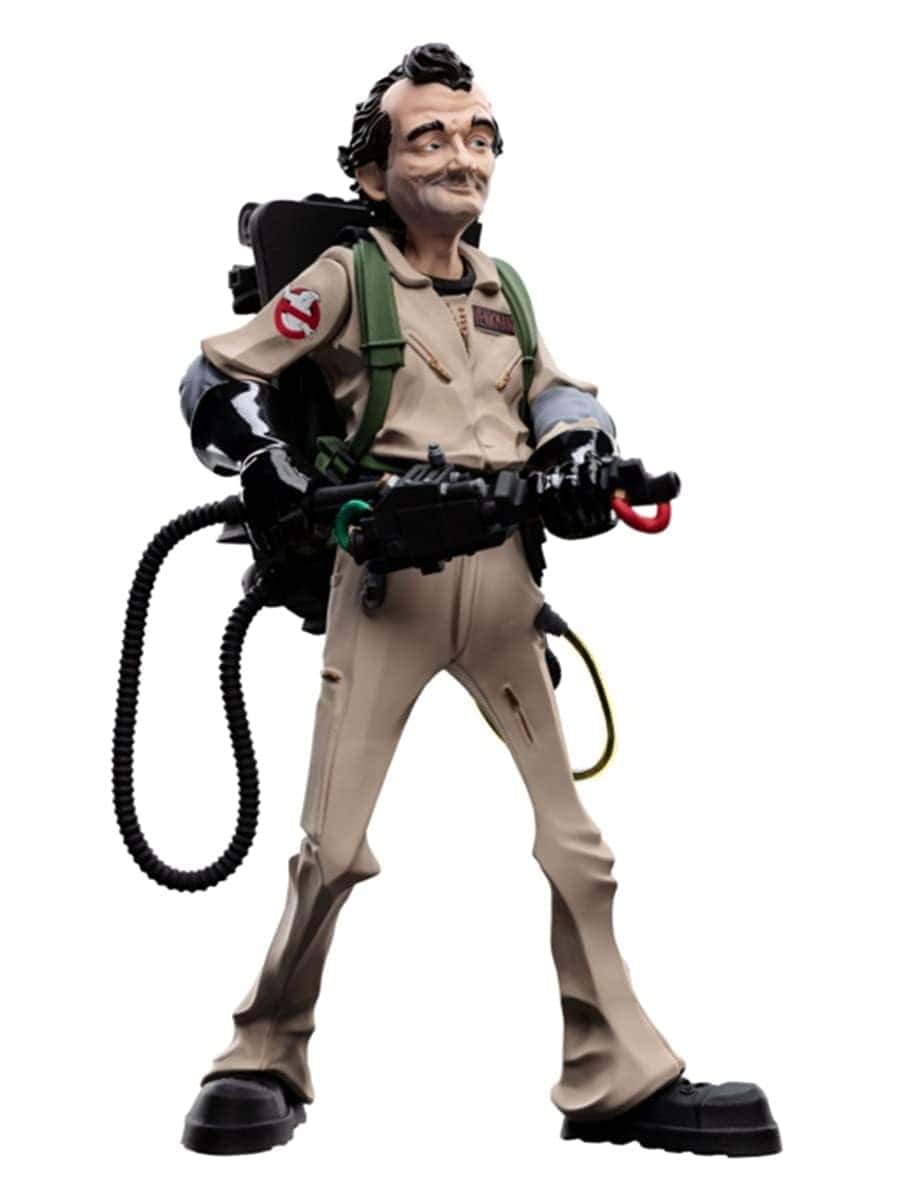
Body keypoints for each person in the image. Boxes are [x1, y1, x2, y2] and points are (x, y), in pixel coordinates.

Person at [178, 43, 780, 1158]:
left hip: (502, 575)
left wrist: (579, 452)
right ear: (374, 173)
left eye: (480, 135)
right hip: (389, 575)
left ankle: (617, 1073)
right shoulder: (345, 279)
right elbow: (218, 376)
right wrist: (269, 465)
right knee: (332, 846)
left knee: (576, 846)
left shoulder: (504, 290)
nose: (463, 156)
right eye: (431, 138)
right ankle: (263, 1051)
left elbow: (558, 391)